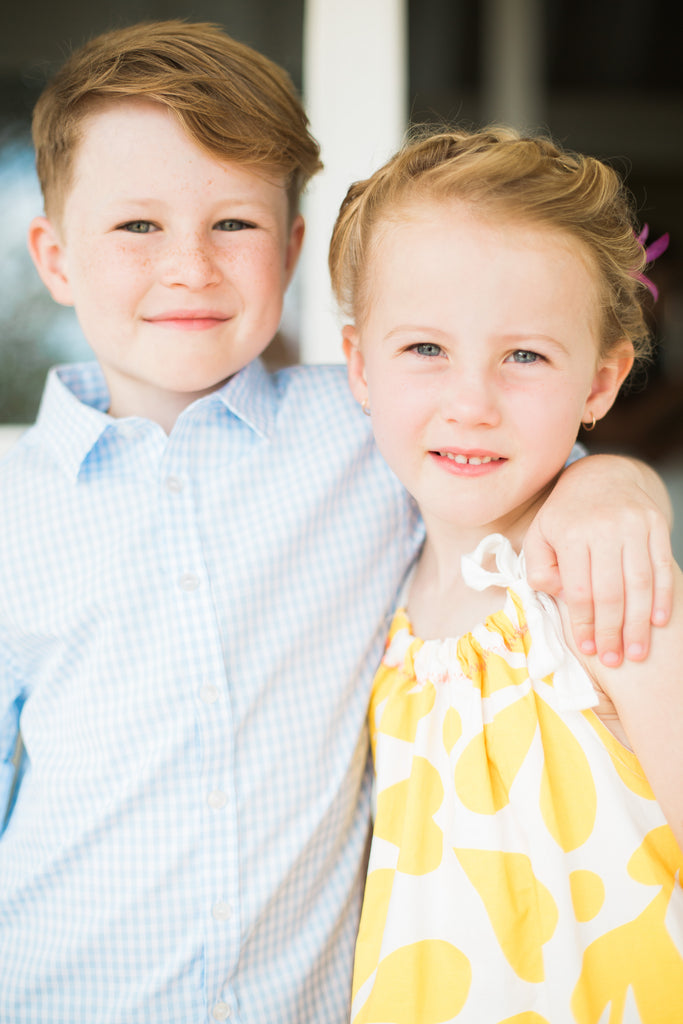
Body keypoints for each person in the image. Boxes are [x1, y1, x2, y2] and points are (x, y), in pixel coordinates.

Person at [0, 22, 674, 1023]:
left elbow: (518, 453)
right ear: (54, 256)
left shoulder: (363, 429)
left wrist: (613, 483)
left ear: (292, 249)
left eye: (232, 224)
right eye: (137, 227)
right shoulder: (12, 512)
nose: (188, 265)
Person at [329, 125, 683, 1023]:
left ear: (600, 383)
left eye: (523, 355)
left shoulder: (609, 590)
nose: (470, 401)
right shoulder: (390, 600)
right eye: (423, 350)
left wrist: (613, 478)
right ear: (360, 365)